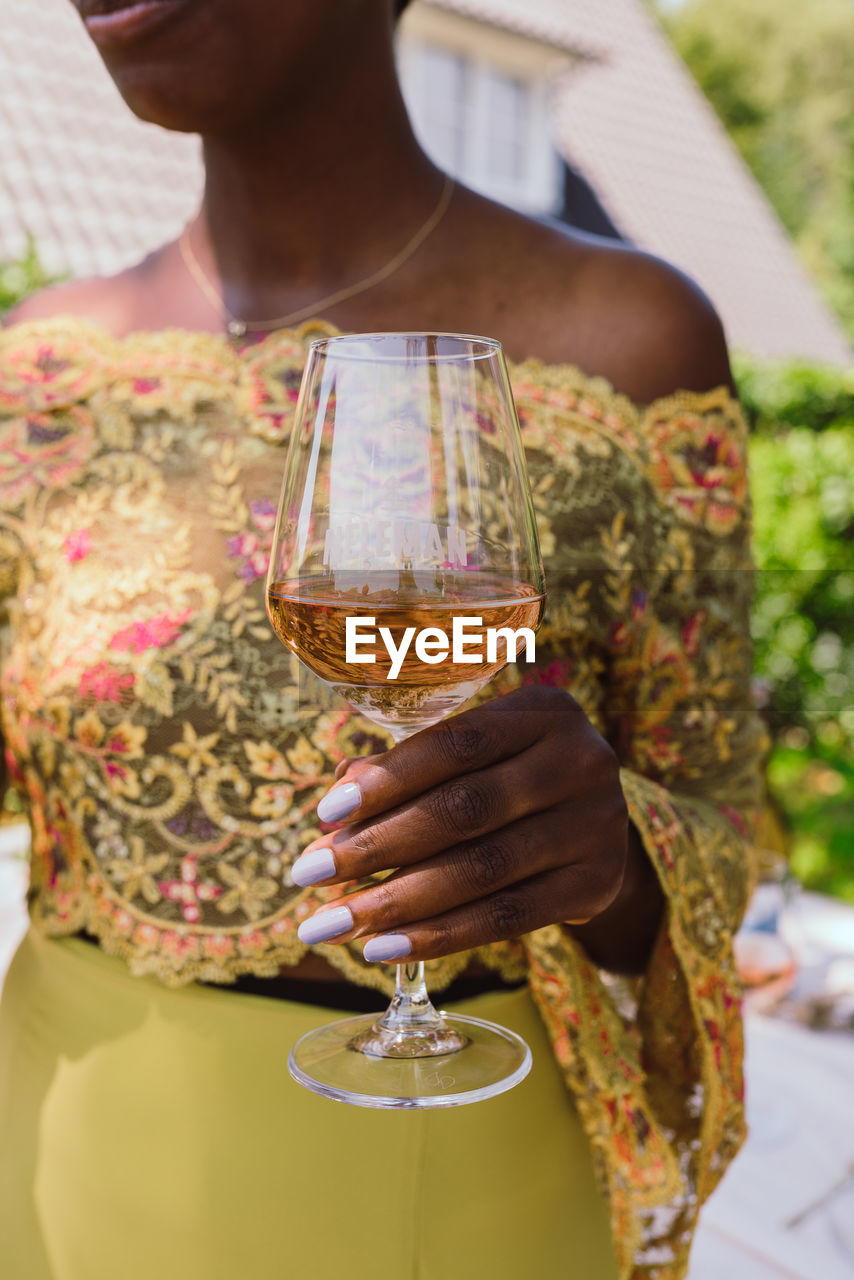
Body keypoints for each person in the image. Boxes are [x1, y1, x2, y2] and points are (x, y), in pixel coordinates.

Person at [0, 1, 763, 1277]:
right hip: (74, 1144)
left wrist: (613, 853)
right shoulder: (30, 377)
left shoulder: (630, 339)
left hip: (468, 1168)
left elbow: (720, 820)